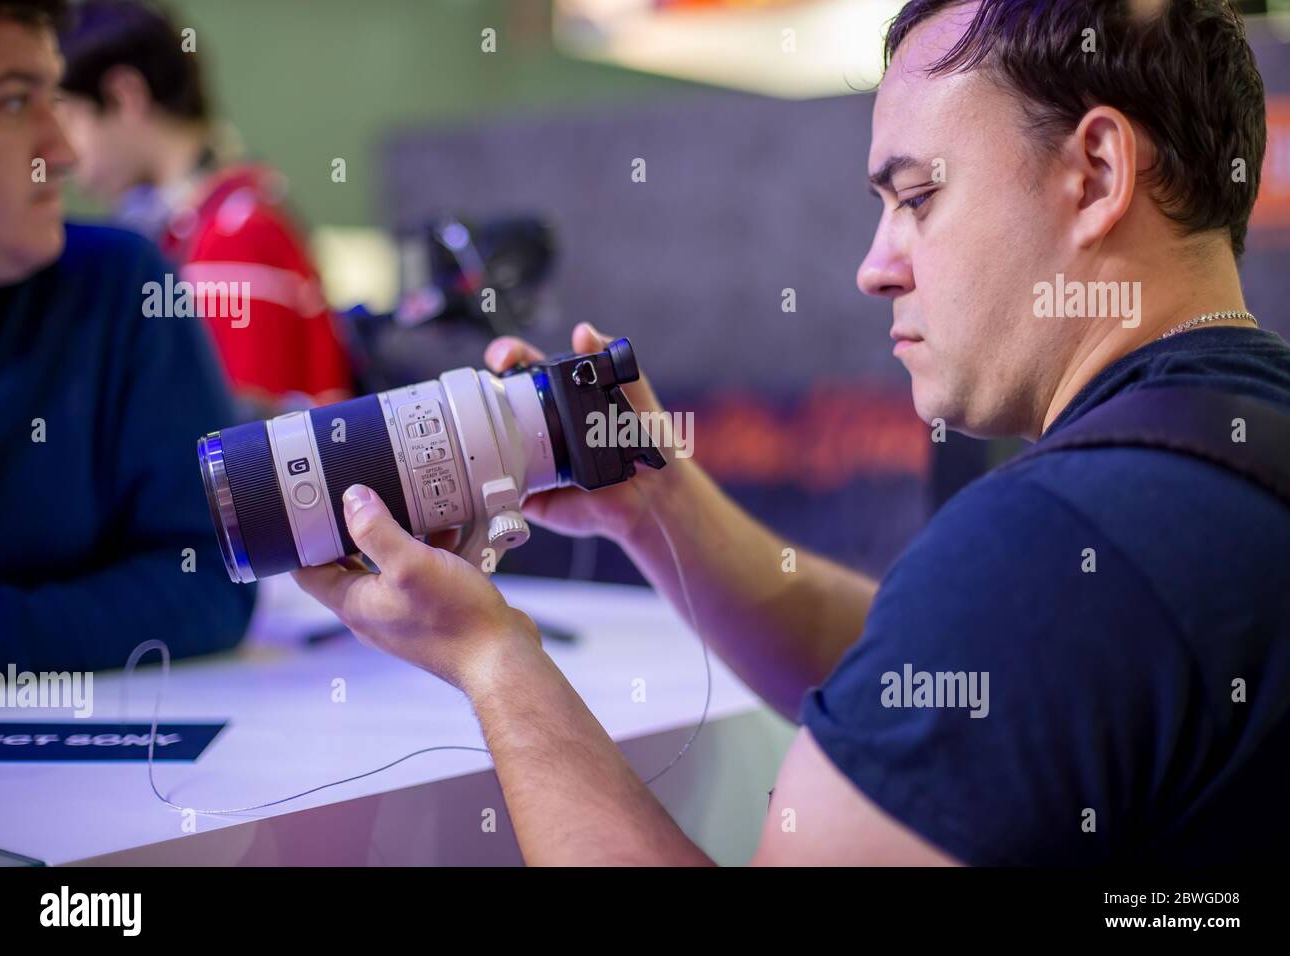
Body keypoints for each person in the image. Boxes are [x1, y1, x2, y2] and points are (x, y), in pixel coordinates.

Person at [295, 0, 1290, 865]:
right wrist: (660, 505)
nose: (876, 266)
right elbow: (929, 671)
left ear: (1096, 172)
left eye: (918, 199)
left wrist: (490, 658)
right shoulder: (1227, 450)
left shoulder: (1055, 546)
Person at [0, 0, 253, 671]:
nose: (66, 150)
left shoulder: (125, 282)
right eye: (16, 103)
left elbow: (209, 578)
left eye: (54, 98)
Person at [56, 0, 354, 415]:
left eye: (66, 118)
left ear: (123, 96)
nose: (62, 153)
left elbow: (242, 454)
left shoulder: (231, 237)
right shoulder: (214, 219)